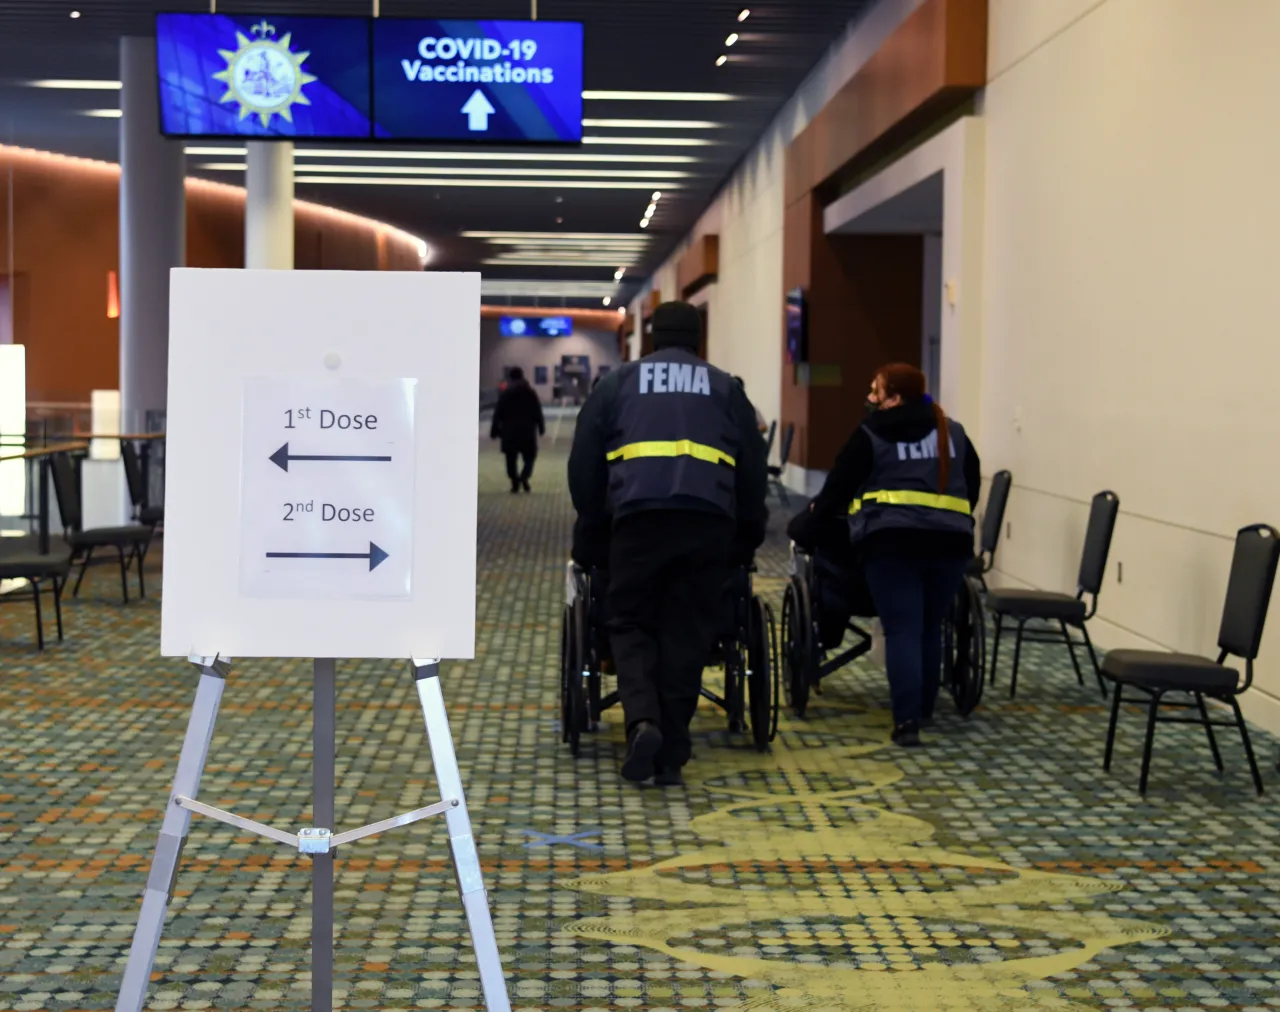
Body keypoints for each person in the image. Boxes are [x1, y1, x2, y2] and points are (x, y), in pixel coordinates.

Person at [569, 301, 769, 786]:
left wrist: (593, 528)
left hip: (636, 521)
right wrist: (747, 534)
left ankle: (643, 722)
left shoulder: (616, 384)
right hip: (708, 523)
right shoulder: (726, 387)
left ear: (652, 337)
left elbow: (585, 465)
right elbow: (752, 471)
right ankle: (674, 748)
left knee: (630, 619)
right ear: (699, 337)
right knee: (689, 628)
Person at [796, 363, 980, 747]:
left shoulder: (872, 434)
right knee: (930, 628)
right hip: (950, 546)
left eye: (876, 392)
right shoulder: (954, 434)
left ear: (894, 398)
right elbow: (972, 486)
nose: (870, 399)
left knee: (902, 629)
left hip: (891, 546)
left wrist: (806, 527)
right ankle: (925, 709)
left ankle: (907, 720)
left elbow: (837, 491)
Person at [490, 367, 545, 493]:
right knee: (530, 457)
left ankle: (515, 481)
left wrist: (494, 429)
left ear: (510, 377)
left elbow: (498, 412)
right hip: (528, 430)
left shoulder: (506, 393)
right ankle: (524, 477)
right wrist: (541, 427)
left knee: (511, 459)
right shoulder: (530, 392)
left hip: (509, 431)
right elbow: (537, 411)